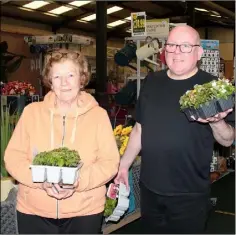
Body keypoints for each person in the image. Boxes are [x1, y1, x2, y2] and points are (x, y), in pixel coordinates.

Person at [115, 25, 235, 234]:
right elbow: (139, 130)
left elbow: (228, 140)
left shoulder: (212, 86)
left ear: (199, 52)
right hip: (150, 189)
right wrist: (123, 166)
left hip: (190, 194)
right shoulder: (152, 81)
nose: (176, 51)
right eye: (171, 45)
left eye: (185, 46)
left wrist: (216, 121)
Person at [4, 49, 120, 234]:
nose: (64, 83)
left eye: (70, 75)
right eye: (57, 76)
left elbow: (109, 162)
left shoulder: (98, 116)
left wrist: (77, 181)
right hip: (34, 210)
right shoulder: (31, 113)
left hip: (85, 211)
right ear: (49, 81)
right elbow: (13, 157)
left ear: (82, 79)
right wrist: (40, 181)